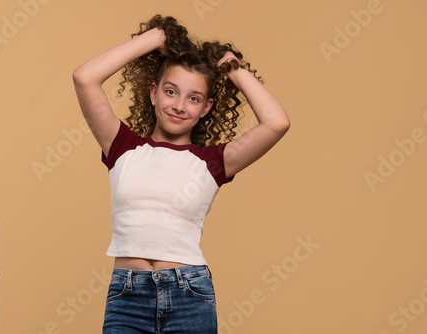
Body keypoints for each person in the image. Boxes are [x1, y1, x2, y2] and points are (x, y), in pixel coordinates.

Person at [72, 14, 290, 334]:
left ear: (206, 108)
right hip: (127, 296)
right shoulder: (122, 147)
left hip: (189, 294)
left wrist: (230, 64)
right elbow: (84, 78)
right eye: (170, 91)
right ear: (153, 93)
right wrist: (157, 38)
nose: (179, 106)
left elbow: (276, 123)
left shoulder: (213, 161)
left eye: (194, 98)